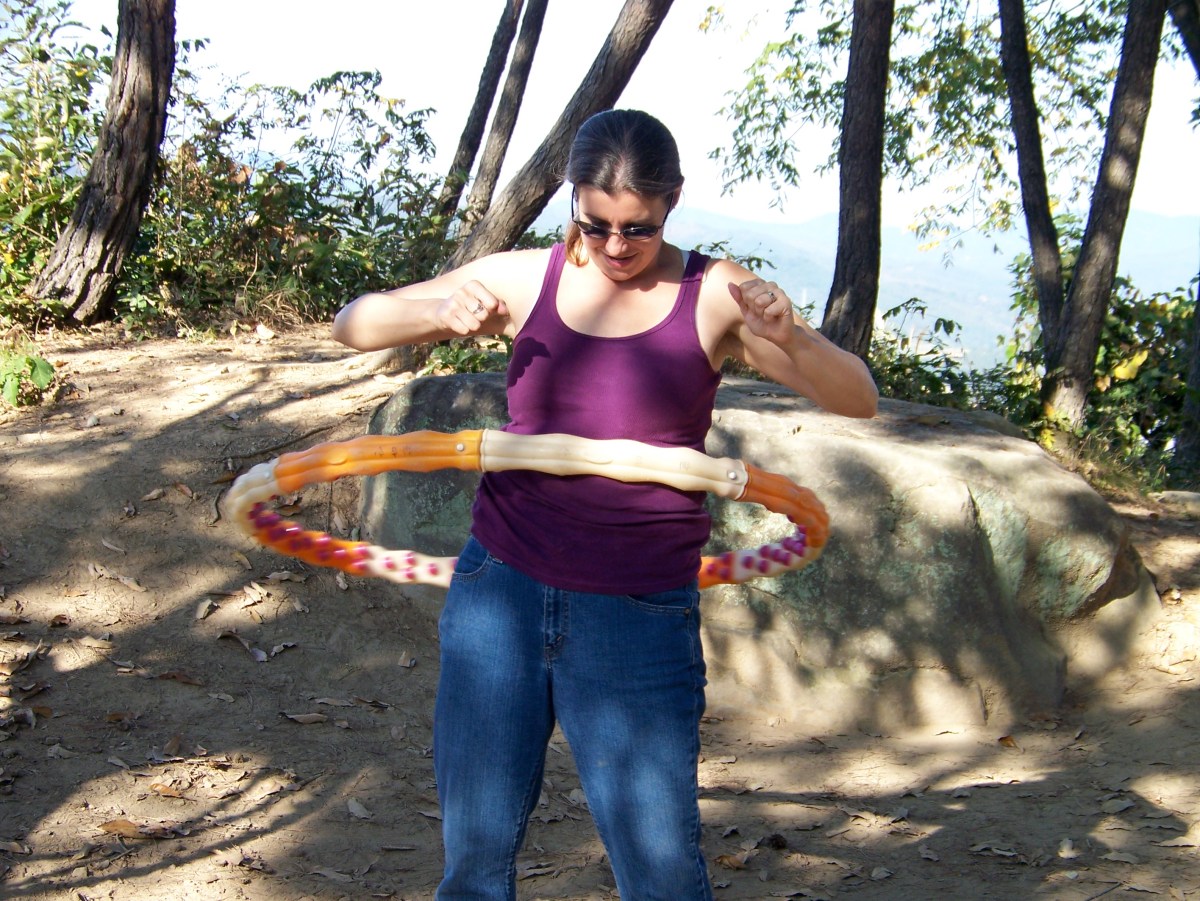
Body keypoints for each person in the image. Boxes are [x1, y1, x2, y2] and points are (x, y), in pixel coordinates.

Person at [332, 109, 877, 901]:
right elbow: (353, 323)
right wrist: (435, 313)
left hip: (637, 611)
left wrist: (792, 337)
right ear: (573, 199)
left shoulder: (714, 293)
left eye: (639, 228)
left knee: (662, 878)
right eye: (596, 224)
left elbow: (857, 397)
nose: (617, 246)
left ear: (673, 202)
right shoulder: (531, 277)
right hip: (501, 591)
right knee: (474, 867)